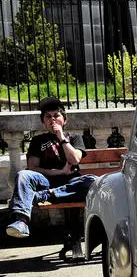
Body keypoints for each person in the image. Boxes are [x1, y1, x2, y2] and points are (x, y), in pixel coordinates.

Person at [6, 98, 98, 238]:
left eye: (56, 116)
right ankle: (21, 221)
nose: (52, 120)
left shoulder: (74, 138)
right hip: (46, 182)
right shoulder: (38, 141)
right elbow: (32, 168)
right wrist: (60, 171)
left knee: (92, 181)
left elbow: (74, 159)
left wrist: (61, 137)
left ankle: (46, 195)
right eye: (48, 117)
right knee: (23, 175)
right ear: (43, 122)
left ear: (65, 120)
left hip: (71, 184)